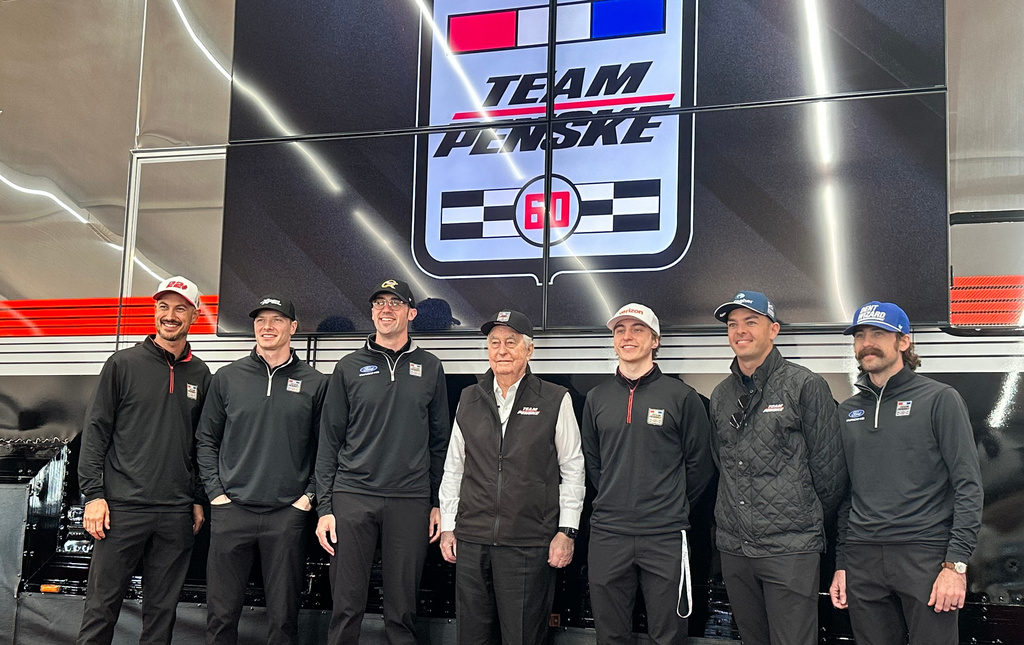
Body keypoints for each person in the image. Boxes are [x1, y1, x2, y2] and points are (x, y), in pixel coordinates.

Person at [829, 301, 983, 645]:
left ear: (903, 341)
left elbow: (968, 485)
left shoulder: (939, 399)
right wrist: (842, 563)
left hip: (924, 555)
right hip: (862, 556)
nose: (867, 342)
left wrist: (955, 565)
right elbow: (846, 493)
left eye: (879, 333)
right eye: (860, 335)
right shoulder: (847, 411)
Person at [76, 276, 212, 645]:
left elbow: (202, 443)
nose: (170, 315)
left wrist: (198, 497)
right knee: (101, 608)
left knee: (162, 614)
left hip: (176, 513)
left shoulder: (201, 374)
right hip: (121, 509)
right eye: (163, 307)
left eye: (180, 308)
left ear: (195, 315)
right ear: (155, 311)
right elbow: (96, 432)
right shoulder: (122, 364)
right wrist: (93, 495)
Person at [314, 279, 450, 644]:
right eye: (379, 303)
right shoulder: (347, 367)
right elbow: (329, 441)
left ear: (411, 312)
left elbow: (441, 442)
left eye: (395, 302)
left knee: (403, 610)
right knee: (345, 606)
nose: (385, 309)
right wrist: (325, 507)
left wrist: (436, 501)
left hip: (410, 499)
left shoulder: (431, 367)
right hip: (352, 496)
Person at [439, 310, 585, 645]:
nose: (502, 350)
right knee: (472, 638)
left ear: (529, 349)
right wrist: (449, 525)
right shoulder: (468, 398)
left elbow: (573, 468)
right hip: (472, 542)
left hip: (527, 545)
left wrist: (567, 531)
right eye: (494, 343)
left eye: (511, 342)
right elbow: (454, 467)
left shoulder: (555, 398)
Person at [709, 290, 846, 645]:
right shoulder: (721, 395)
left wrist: (802, 518)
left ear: (774, 330)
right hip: (735, 549)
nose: (740, 331)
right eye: (733, 324)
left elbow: (830, 475)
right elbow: (719, 462)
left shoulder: (806, 385)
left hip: (790, 548)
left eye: (751, 322)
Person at [196, 295, 328, 644]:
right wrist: (216, 494)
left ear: (293, 328)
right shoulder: (227, 377)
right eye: (260, 320)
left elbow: (326, 450)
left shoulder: (316, 383)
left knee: (284, 619)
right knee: (220, 617)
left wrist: (308, 497)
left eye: (277, 319)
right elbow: (205, 440)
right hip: (231, 512)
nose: (267, 327)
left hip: (287, 515)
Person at [580, 303, 713, 644]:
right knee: (610, 635)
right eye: (620, 330)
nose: (627, 336)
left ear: (655, 340)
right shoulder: (596, 399)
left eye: (637, 330)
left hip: (665, 535)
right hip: (609, 533)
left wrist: (669, 504)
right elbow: (593, 464)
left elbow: (700, 465)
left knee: (668, 634)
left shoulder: (682, 397)